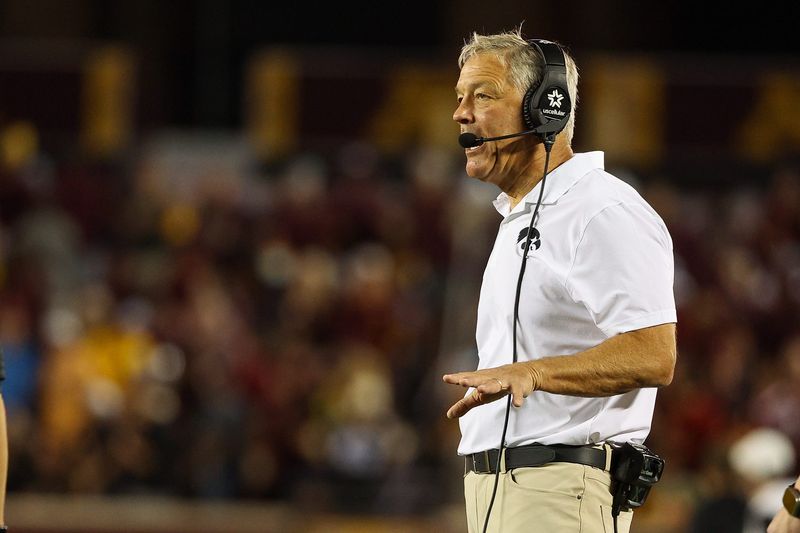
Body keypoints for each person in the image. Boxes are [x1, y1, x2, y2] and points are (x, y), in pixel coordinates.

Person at [442, 29, 677, 533]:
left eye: (482, 96)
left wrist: (533, 372)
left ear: (545, 109)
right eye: (460, 98)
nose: (461, 114)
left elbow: (654, 354)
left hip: (559, 488)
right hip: (505, 489)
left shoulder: (602, 210)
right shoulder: (522, 216)